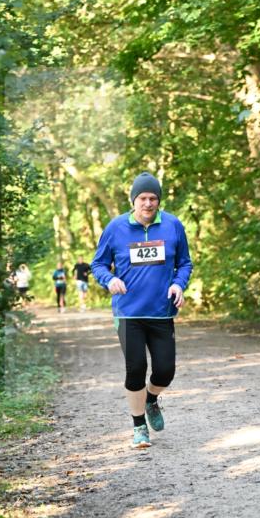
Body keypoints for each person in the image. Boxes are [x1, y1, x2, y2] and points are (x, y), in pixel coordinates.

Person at [91, 172, 193, 450]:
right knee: (135, 368)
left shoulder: (172, 225)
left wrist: (178, 284)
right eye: (143, 198)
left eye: (153, 198)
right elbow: (98, 264)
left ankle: (150, 399)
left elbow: (184, 263)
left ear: (159, 200)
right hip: (128, 313)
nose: (148, 204)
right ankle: (139, 428)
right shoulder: (115, 228)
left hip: (161, 312)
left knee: (165, 371)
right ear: (133, 200)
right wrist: (109, 279)